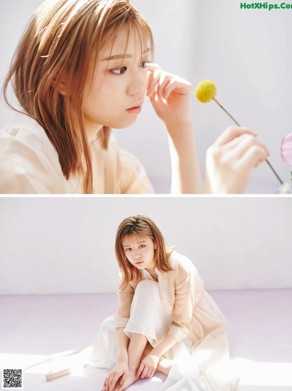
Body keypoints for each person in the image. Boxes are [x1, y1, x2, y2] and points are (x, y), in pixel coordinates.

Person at [0, 0, 268, 194]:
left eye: (143, 63)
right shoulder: (21, 158)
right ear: (60, 79)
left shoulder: (108, 156)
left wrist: (179, 128)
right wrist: (217, 197)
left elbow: (164, 254)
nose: (139, 86)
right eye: (118, 69)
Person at [90, 215, 238, 391]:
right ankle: (134, 363)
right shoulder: (127, 272)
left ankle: (137, 365)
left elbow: (181, 323)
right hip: (150, 319)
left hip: (190, 323)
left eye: (142, 246)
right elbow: (122, 317)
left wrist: (154, 354)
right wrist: (122, 359)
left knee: (146, 290)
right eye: (128, 249)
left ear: (155, 243)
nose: (135, 255)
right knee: (111, 331)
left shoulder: (181, 267)